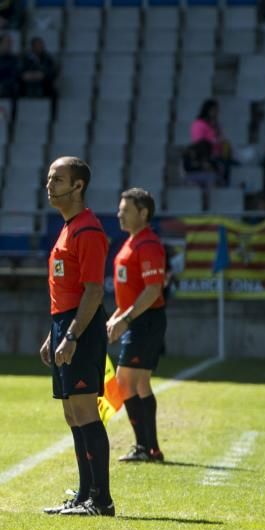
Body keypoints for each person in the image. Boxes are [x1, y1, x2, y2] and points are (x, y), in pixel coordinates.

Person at [40, 156, 115, 517]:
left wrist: (70, 335)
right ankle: (85, 494)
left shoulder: (88, 230)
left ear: (78, 186)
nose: (50, 185)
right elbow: (64, 290)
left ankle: (101, 500)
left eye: (58, 179)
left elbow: (93, 292)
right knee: (73, 412)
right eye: (49, 178)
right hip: (65, 324)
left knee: (85, 410)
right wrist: (51, 335)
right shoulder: (68, 227)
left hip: (79, 328)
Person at [106, 188, 168, 463]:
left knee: (125, 381)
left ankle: (145, 447)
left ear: (143, 213)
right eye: (120, 208)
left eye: (126, 209)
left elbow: (153, 290)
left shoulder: (149, 245)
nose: (120, 213)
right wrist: (116, 317)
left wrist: (126, 319)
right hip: (136, 318)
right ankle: (149, 449)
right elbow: (131, 290)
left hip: (145, 321)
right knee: (139, 383)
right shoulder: (131, 242)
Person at [190, 99, 231, 186]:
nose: (216, 113)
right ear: (207, 110)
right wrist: (215, 142)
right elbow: (199, 143)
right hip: (205, 156)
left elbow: (220, 139)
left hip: (219, 155)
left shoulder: (215, 125)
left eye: (217, 110)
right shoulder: (198, 124)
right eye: (214, 110)